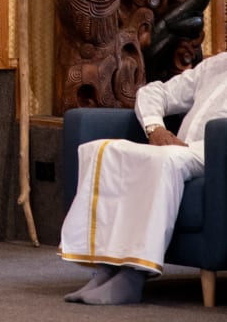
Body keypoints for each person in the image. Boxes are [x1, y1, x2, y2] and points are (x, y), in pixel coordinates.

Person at [60, 50, 227, 305]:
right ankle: (107, 268)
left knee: (163, 161)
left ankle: (133, 278)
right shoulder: (215, 65)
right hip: (182, 146)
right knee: (106, 150)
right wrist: (155, 127)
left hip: (217, 151)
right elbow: (154, 92)